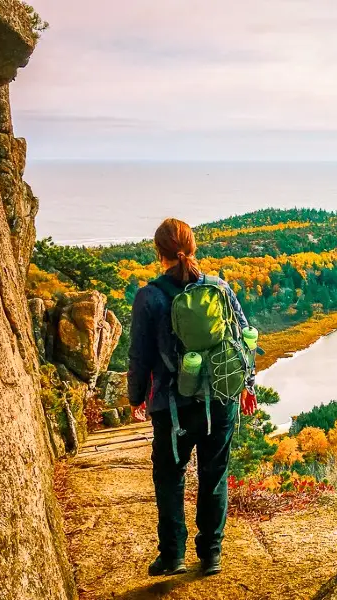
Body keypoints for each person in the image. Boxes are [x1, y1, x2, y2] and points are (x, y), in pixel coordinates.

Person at [127, 218, 257, 577]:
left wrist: (136, 397)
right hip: (221, 399)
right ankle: (211, 555)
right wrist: (247, 385)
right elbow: (244, 338)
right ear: (193, 247)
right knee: (214, 475)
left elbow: (138, 355)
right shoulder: (220, 288)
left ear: (159, 253)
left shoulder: (149, 296)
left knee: (170, 477)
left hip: (173, 407)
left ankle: (173, 556)